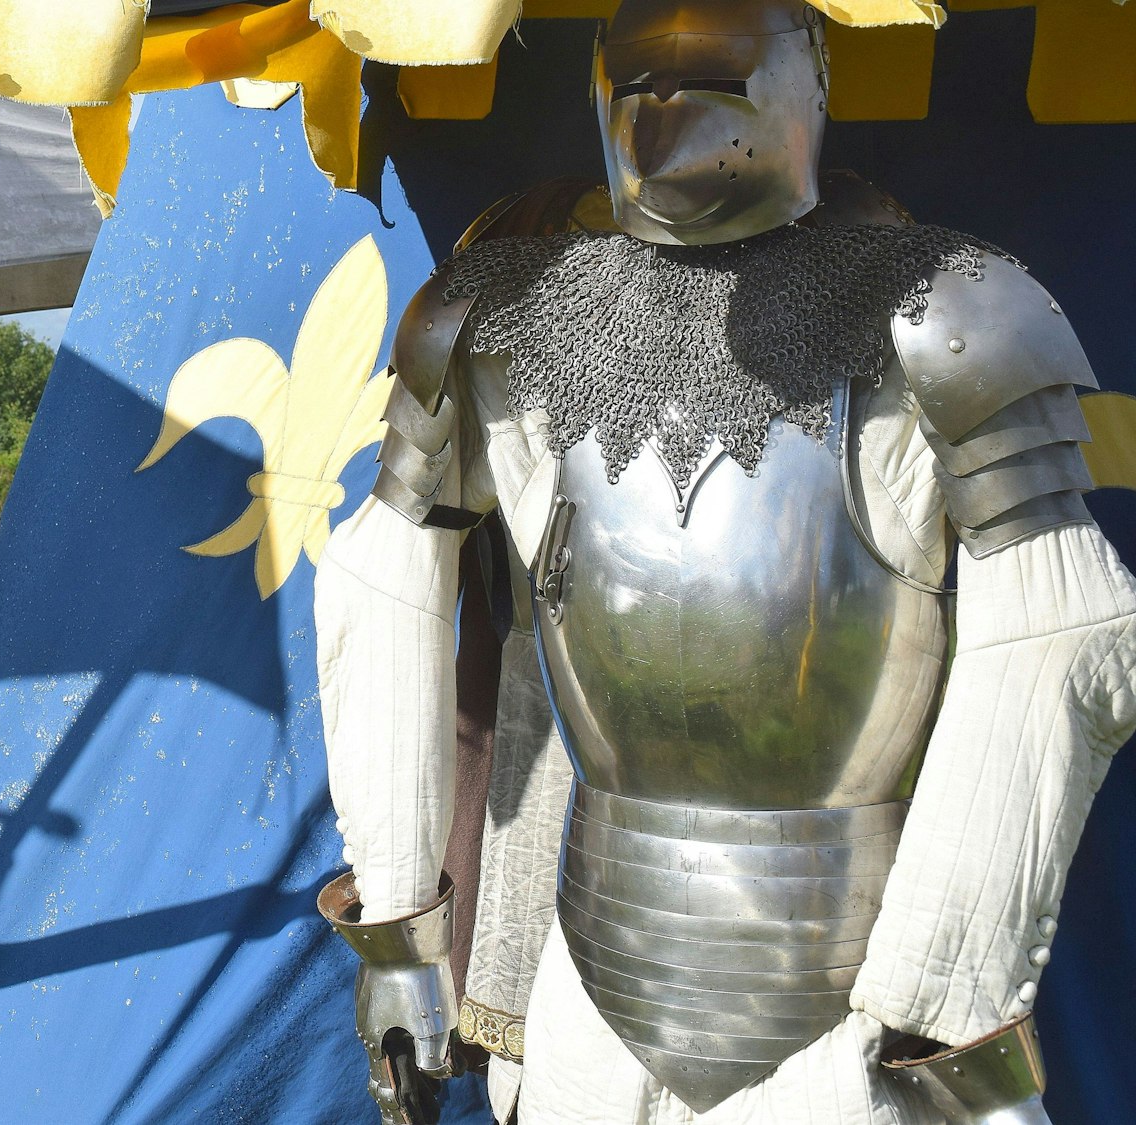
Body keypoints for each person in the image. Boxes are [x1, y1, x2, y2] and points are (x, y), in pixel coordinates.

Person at [313, 2, 1136, 1123]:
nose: (663, 99)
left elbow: (1058, 644)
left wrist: (939, 996)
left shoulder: (946, 315)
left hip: (845, 995)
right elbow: (381, 593)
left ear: (808, 74)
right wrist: (399, 938)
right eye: (635, 71)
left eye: (698, 68)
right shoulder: (497, 313)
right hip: (594, 973)